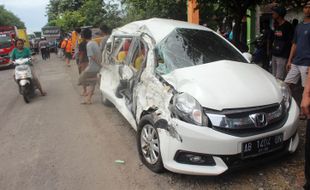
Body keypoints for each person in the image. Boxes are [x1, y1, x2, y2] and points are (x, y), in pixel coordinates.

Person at [285, 1, 310, 120]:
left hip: (307, 63)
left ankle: (304, 111)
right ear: (303, 9)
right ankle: (288, 107)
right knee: (286, 85)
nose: (308, 9)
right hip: (296, 61)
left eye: (309, 7)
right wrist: (289, 60)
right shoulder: (299, 26)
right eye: (306, 7)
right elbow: (294, 44)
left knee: (307, 89)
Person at [78, 28, 102, 104]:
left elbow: (92, 56)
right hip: (95, 66)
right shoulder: (94, 42)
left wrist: (99, 64)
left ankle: (98, 80)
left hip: (93, 67)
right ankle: (88, 99)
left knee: (81, 79)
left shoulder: (89, 44)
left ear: (83, 36)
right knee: (92, 84)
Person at [271, 6, 294, 80]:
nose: (273, 14)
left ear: (279, 14)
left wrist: (290, 58)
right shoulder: (276, 25)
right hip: (274, 54)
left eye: (274, 12)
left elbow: (291, 42)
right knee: (274, 76)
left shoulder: (288, 26)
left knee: (279, 78)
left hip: (283, 56)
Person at [78, 32, 89, 96]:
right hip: (90, 61)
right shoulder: (91, 42)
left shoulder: (81, 44)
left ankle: (85, 91)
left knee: (83, 76)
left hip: (84, 62)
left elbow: (81, 54)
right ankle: (91, 91)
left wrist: (79, 62)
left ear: (82, 37)